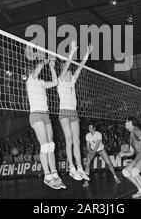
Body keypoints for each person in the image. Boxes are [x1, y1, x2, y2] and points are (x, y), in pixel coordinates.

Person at [25, 52, 66, 190]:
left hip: (45, 114)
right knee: (44, 146)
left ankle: (55, 175)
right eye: (31, 70)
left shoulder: (41, 83)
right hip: (36, 115)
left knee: (51, 146)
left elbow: (55, 82)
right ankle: (47, 176)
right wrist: (45, 61)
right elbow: (37, 69)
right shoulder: (30, 80)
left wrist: (53, 67)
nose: (33, 71)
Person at [57, 40, 91, 181]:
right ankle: (71, 167)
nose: (71, 73)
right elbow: (67, 65)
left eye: (71, 73)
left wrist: (87, 54)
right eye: (68, 72)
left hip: (74, 112)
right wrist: (71, 51)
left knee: (77, 140)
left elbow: (80, 67)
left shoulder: (72, 81)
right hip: (64, 112)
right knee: (69, 139)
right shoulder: (60, 80)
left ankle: (79, 168)